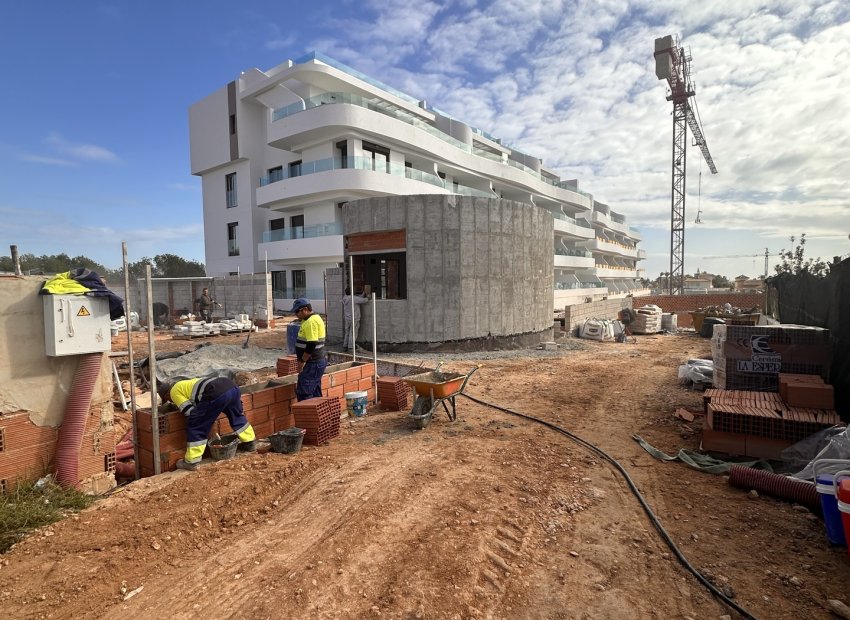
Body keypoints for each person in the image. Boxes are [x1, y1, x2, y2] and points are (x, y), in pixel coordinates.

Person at [158, 376, 256, 471]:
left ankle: (191, 461)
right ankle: (250, 443)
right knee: (236, 416)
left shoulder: (174, 391)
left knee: (195, 424)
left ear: (167, 394)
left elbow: (189, 412)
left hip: (216, 392)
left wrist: (203, 420)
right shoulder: (184, 384)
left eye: (168, 400)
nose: (170, 401)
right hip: (232, 387)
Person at [290, 297, 327, 401]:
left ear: (305, 309)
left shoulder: (311, 322)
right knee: (315, 392)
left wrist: (302, 361)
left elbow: (311, 344)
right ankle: (318, 415)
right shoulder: (309, 320)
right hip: (314, 362)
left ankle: (307, 416)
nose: (296, 314)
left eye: (297, 311)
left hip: (313, 363)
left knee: (304, 393)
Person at [342, 286, 369, 351]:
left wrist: (363, 294)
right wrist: (368, 296)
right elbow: (365, 300)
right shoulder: (354, 298)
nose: (355, 291)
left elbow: (358, 298)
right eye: (353, 290)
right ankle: (351, 347)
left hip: (347, 318)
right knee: (353, 332)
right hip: (354, 318)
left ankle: (345, 346)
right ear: (351, 292)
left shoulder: (345, 298)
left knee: (347, 332)